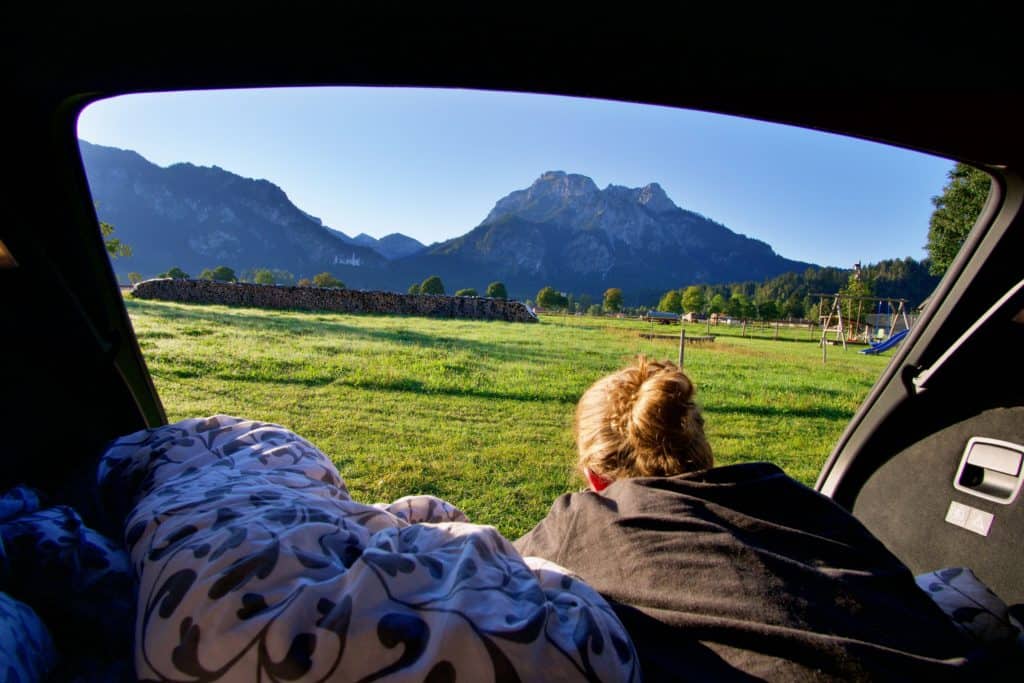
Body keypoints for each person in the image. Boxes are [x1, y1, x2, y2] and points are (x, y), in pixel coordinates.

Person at [515, 356, 981, 681]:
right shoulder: (786, 493)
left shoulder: (586, 517)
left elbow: (481, 575)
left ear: (594, 476)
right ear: (702, 451)